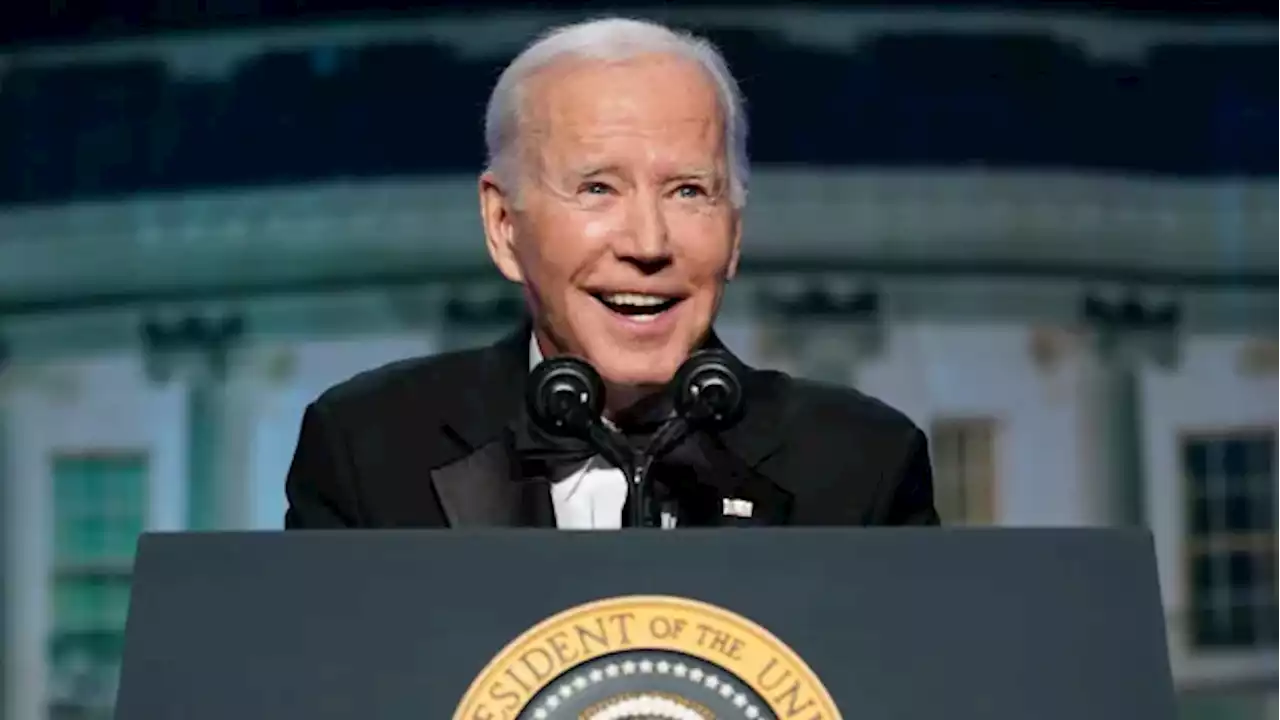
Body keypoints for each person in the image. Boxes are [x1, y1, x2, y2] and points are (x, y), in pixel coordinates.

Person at [284, 17, 940, 529]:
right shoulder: (367, 450)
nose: (648, 243)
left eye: (689, 192)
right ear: (503, 226)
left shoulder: (863, 467)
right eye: (598, 189)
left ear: (734, 231)